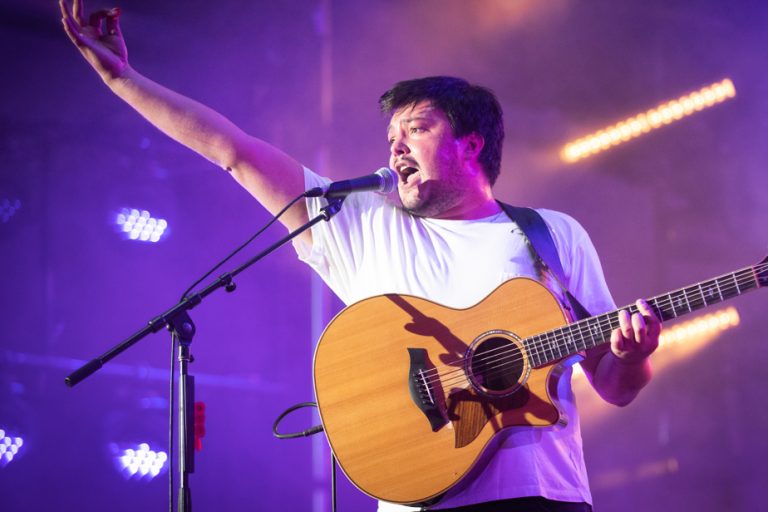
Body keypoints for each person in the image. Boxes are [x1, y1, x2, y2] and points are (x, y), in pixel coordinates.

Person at [60, 1, 662, 511]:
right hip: (417, 494)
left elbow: (612, 383)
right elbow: (233, 152)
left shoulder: (552, 235)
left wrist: (634, 357)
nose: (396, 147)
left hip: (543, 495)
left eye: (417, 130)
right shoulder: (361, 221)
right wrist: (121, 80)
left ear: (471, 143)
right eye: (391, 138)